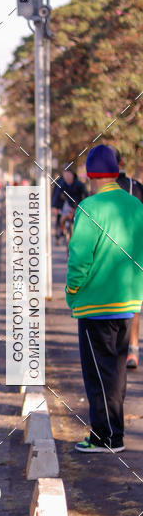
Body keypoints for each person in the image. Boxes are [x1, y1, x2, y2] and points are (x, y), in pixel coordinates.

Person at [65, 145, 143, 453]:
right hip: (128, 302)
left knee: (98, 375)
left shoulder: (89, 208)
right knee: (116, 373)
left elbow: (79, 259)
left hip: (95, 304)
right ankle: (113, 432)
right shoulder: (135, 205)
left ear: (90, 175)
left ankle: (106, 437)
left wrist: (72, 291)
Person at [111, 147, 143, 369]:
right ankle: (133, 348)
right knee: (135, 302)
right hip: (135, 253)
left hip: (112, 256)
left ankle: (121, 349)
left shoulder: (102, 190)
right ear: (121, 162)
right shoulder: (137, 187)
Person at [51, 167, 87, 243]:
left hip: (77, 205)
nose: (67, 177)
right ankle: (62, 230)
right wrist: (54, 206)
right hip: (67, 205)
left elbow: (85, 194)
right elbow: (56, 195)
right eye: (65, 175)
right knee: (62, 218)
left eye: (68, 175)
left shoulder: (79, 184)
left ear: (72, 175)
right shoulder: (62, 184)